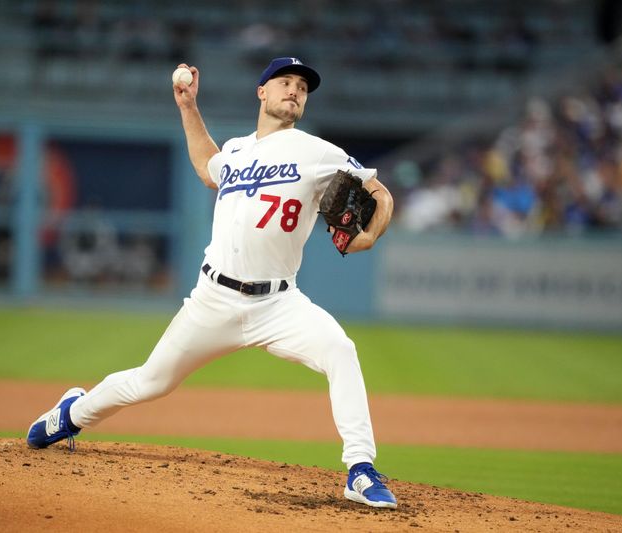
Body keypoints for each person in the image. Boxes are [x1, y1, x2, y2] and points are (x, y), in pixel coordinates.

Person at [26, 57, 397, 509]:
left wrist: (371, 233)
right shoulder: (238, 150)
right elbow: (208, 168)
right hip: (213, 299)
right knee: (151, 382)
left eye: (302, 86)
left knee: (341, 350)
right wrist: (188, 107)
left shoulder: (319, 152)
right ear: (262, 92)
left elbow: (379, 192)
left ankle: (359, 469)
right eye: (285, 82)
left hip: (279, 304)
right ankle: (73, 413)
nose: (295, 90)